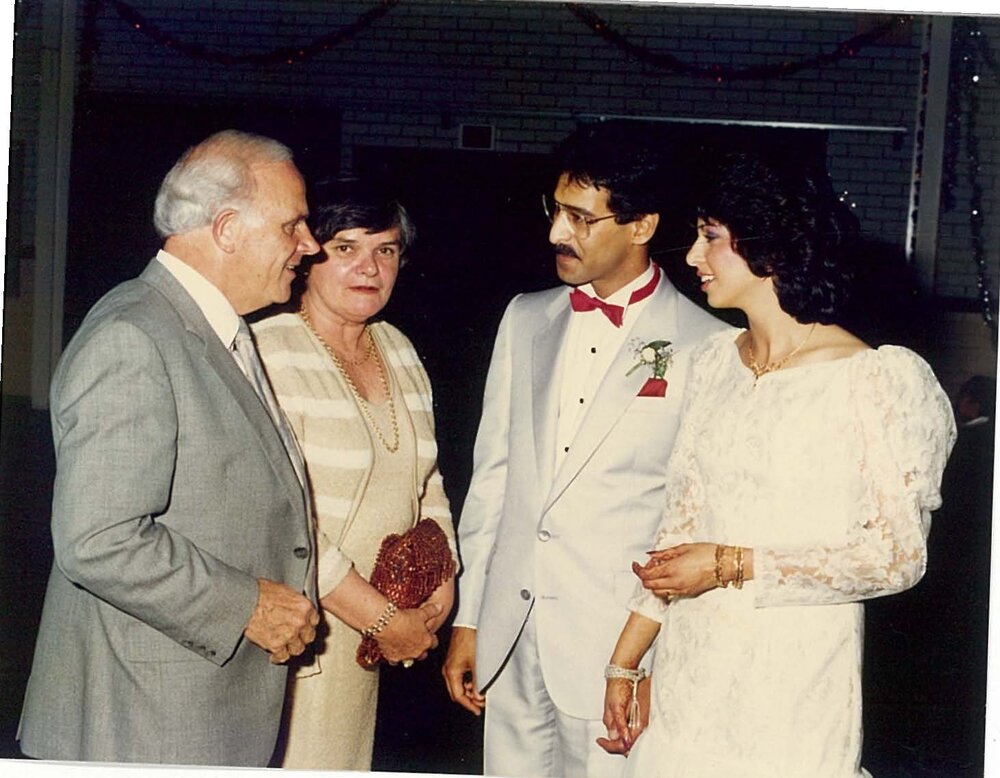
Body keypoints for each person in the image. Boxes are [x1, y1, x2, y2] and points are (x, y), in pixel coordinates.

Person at [600, 153, 956, 777]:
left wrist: (732, 564)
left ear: (769, 249)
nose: (691, 257)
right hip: (689, 677)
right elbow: (677, 528)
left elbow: (899, 557)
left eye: (709, 237)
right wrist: (626, 662)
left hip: (793, 688)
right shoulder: (712, 363)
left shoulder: (875, 380)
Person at [17, 129, 322, 766]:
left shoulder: (213, 326)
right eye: (294, 225)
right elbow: (98, 539)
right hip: (140, 721)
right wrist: (248, 604)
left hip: (189, 708)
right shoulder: (134, 335)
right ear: (229, 227)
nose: (309, 245)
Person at [442, 121, 730, 777]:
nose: (554, 234)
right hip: (512, 641)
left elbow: (698, 523)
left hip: (619, 657)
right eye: (554, 211)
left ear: (642, 225)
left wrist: (653, 663)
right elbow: (494, 481)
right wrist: (472, 618)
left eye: (580, 218)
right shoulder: (525, 317)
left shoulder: (707, 346)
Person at [252, 179, 456, 771]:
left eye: (385, 250)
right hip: (303, 629)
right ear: (309, 255)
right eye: (346, 248)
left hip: (376, 633)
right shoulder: (270, 352)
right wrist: (381, 617)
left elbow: (428, 477)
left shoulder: (397, 347)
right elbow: (285, 518)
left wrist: (442, 574)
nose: (369, 267)